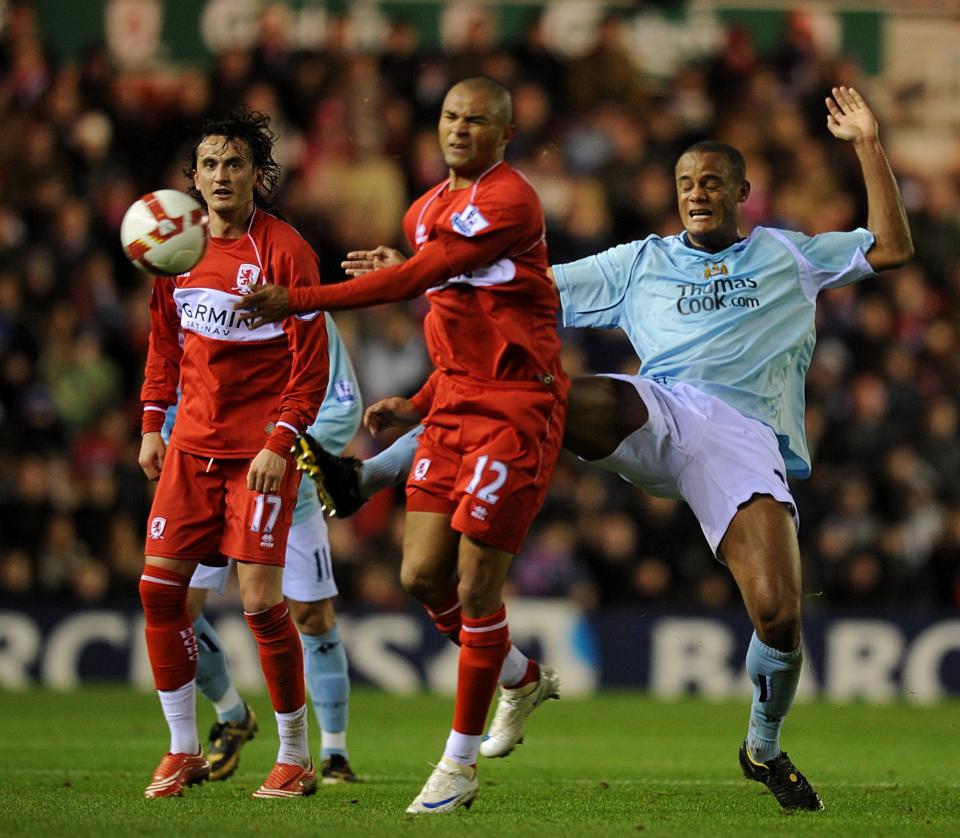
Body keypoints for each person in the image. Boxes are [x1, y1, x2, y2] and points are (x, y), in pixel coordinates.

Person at [289, 86, 914, 812]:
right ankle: (367, 476)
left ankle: (762, 746)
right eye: (685, 183)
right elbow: (504, 300)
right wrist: (420, 270)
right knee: (534, 390)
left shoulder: (788, 253)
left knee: (777, 614)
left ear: (744, 192)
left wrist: (869, 145)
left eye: (713, 181)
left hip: (742, 441)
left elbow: (893, 247)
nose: (698, 194)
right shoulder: (640, 261)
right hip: (658, 409)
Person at [240, 77, 569, 814]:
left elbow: (419, 280)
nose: (460, 129)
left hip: (518, 407)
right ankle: (519, 677)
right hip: (453, 405)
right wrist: (417, 400)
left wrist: (301, 298)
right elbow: (454, 309)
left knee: (477, 586)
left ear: (504, 134)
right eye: (451, 116)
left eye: (477, 120)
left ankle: (457, 768)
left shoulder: (512, 198)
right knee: (422, 575)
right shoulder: (424, 210)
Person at [138, 110, 330, 799]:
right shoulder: (175, 250)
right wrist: (151, 426)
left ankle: (295, 756)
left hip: (257, 455)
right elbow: (165, 345)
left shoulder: (284, 251)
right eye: (210, 165)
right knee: (159, 593)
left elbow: (312, 366)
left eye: (235, 164)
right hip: (190, 448)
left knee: (258, 602)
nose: (221, 176)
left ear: (258, 176)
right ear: (193, 178)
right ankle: (182, 747)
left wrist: (282, 441)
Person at [161, 312, 361, 785]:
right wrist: (179, 444)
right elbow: (176, 394)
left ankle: (333, 751)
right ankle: (232, 713)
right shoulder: (199, 302)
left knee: (308, 614)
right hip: (210, 481)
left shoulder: (308, 315)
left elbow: (344, 406)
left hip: (286, 487)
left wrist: (282, 449)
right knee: (178, 606)